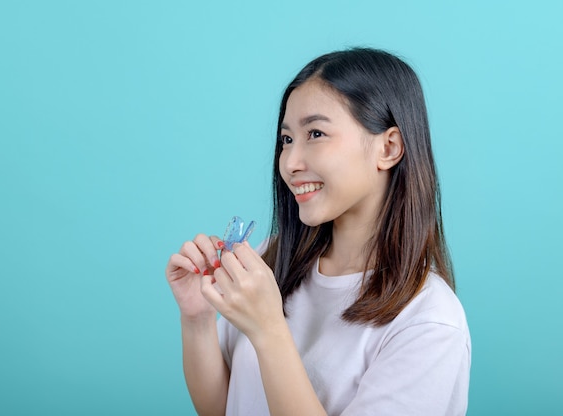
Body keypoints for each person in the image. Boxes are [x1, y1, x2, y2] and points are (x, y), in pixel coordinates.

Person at [165, 47, 471, 416]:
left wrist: (269, 330)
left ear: (388, 148)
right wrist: (197, 319)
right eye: (287, 140)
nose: (290, 163)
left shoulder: (428, 323)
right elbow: (223, 408)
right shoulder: (272, 261)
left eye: (315, 133)